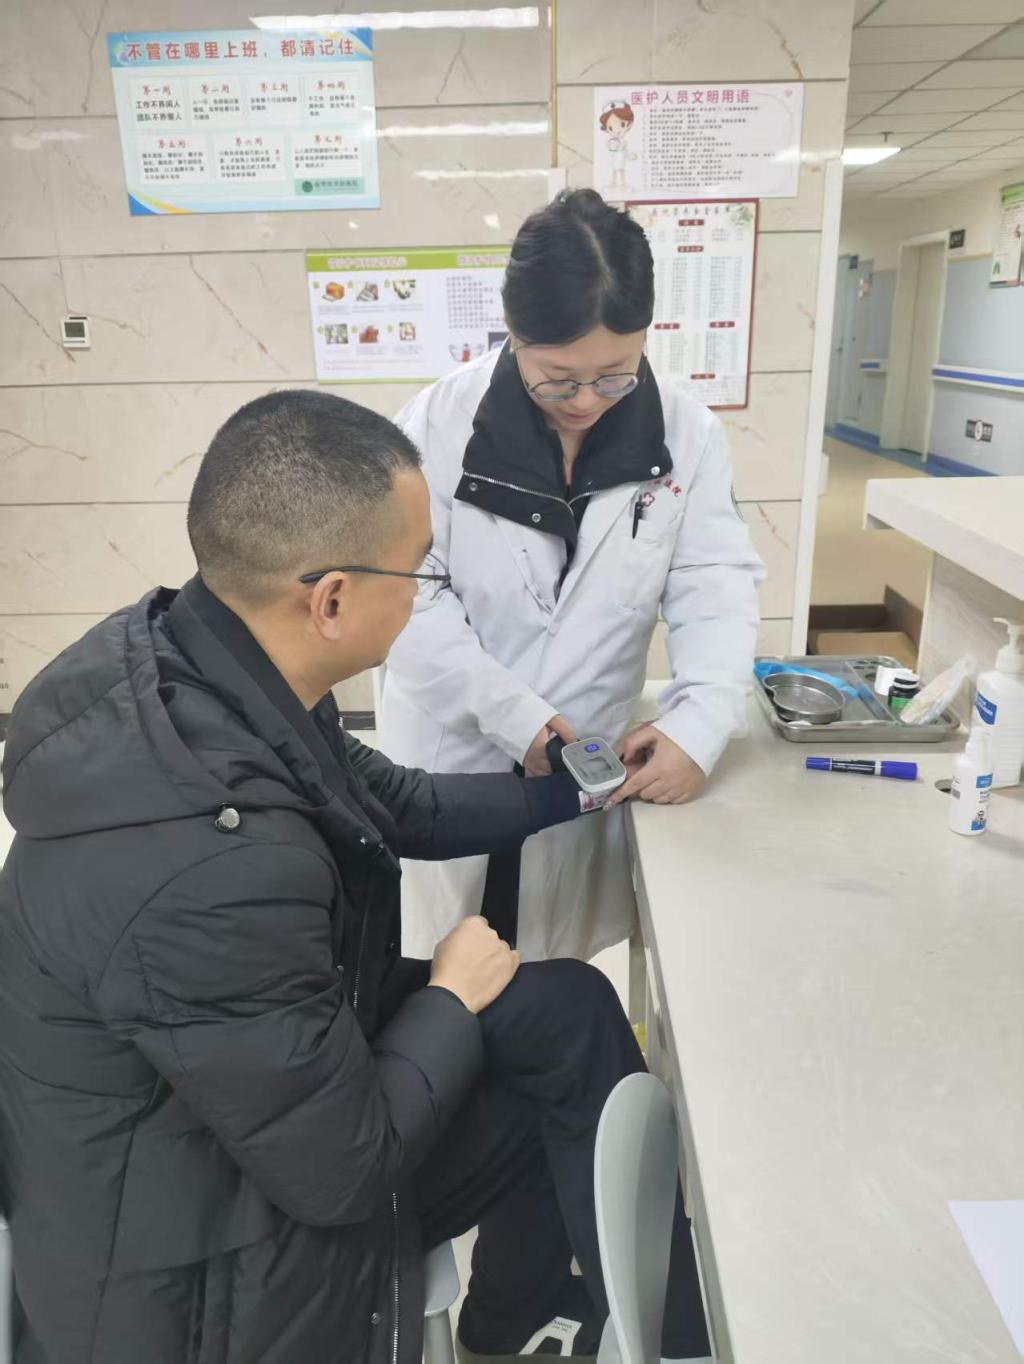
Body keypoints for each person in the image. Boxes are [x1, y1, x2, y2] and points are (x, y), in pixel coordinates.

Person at [0, 391, 713, 1363]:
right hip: (200, 1263)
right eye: (420, 571)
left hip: (239, 1101)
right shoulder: (213, 860)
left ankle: (536, 1319)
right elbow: (344, 1169)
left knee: (570, 1011)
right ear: (331, 599)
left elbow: (402, 803)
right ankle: (651, 1333)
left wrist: (583, 786)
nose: (424, 593)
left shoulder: (210, 660)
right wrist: (451, 996)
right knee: (542, 1062)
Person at [381, 189, 764, 960]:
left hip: (589, 746)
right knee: (440, 962)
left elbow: (715, 588)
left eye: (615, 375)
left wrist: (699, 727)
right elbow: (405, 596)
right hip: (454, 747)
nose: (587, 400)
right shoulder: (435, 427)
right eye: (557, 378)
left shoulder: (688, 435)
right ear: (513, 331)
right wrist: (510, 714)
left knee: (553, 962)